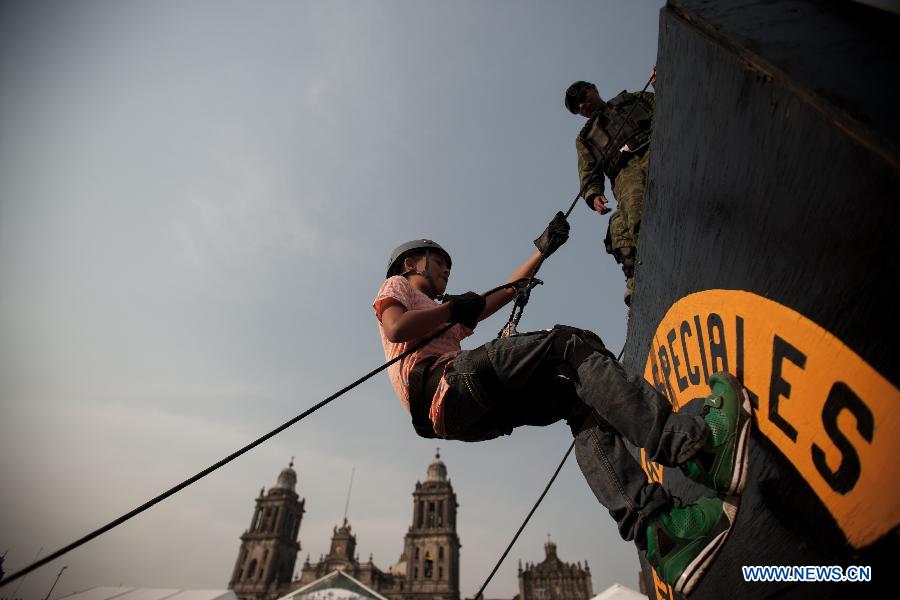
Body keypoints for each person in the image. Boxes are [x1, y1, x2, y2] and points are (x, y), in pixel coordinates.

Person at [371, 215, 752, 595]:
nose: (447, 272)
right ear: (411, 263)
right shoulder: (399, 285)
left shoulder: (440, 315)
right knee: (569, 343)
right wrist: (454, 309)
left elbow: (498, 297)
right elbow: (395, 327)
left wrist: (541, 252)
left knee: (580, 404)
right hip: (448, 386)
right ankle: (693, 446)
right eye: (440, 264)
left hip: (460, 415)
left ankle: (662, 533)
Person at [565, 68, 655, 305]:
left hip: (655, 145)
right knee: (636, 217)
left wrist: (660, 81)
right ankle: (648, 276)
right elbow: (588, 171)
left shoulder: (634, 99)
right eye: (577, 108)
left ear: (594, 89)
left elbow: (666, 102)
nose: (582, 106)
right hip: (625, 173)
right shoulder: (586, 138)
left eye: (583, 98)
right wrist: (594, 194)